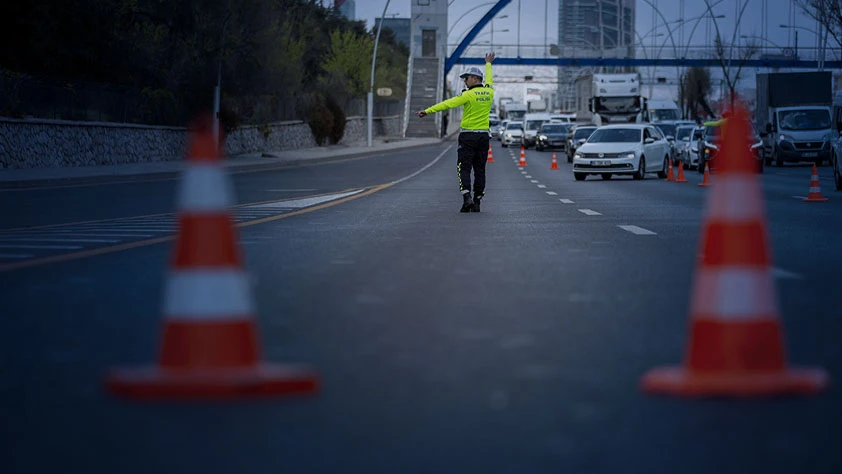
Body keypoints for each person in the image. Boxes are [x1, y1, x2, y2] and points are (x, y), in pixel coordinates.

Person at [417, 52, 496, 212]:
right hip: (483, 137)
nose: (465, 82)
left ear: (474, 78)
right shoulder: (489, 92)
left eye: (466, 78)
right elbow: (489, 79)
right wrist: (488, 63)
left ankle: (467, 197)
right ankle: (478, 200)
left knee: (463, 167)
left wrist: (428, 110)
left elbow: (447, 104)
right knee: (480, 169)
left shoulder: (468, 95)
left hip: (468, 136)